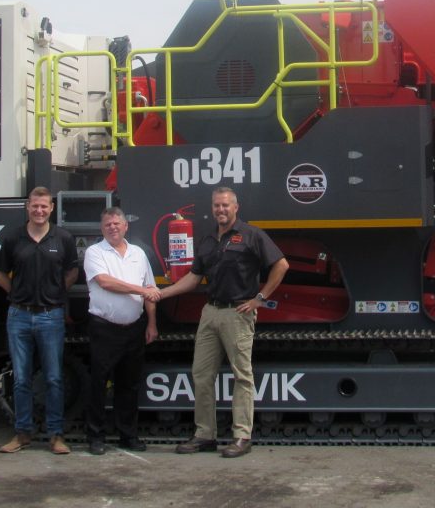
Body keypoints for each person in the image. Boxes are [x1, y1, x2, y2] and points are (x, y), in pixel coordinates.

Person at [156, 186, 289, 458]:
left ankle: (242, 437)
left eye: (225, 205)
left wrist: (260, 298)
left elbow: (282, 265)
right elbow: (193, 279)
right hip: (211, 313)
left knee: (242, 376)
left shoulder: (251, 235)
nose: (221, 210)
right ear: (212, 208)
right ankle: (205, 435)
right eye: (217, 206)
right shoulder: (207, 241)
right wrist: (160, 293)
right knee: (202, 375)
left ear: (236, 207)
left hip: (238, 313)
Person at [0, 186, 79, 455]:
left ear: (51, 208)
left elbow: (72, 271)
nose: (39, 210)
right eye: (35, 206)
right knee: (21, 380)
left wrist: (53, 294)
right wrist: (19, 295)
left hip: (50, 316)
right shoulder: (13, 239)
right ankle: (22, 434)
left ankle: (56, 436)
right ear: (27, 207)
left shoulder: (63, 238)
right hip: (18, 315)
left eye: (44, 206)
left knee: (54, 378)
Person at [83, 207, 160, 455]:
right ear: (101, 228)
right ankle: (95, 437)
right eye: (108, 224)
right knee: (98, 383)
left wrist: (151, 323)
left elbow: (150, 289)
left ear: (126, 226)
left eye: (117, 223)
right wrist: (140, 291)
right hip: (104, 329)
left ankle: (128, 436)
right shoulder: (95, 253)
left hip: (134, 329)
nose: (113, 227)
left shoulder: (138, 254)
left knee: (129, 386)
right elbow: (106, 282)